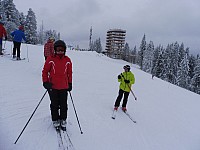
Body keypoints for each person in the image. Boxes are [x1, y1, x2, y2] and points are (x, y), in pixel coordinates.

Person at [42, 40, 72, 130]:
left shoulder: (67, 60)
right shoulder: (50, 59)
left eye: (62, 50)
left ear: (64, 50)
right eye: (58, 49)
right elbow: (45, 71)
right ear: (55, 50)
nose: (60, 51)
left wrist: (70, 83)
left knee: (63, 105)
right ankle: (55, 119)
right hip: (53, 86)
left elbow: (69, 73)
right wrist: (45, 82)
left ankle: (63, 119)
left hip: (64, 86)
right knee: (54, 104)